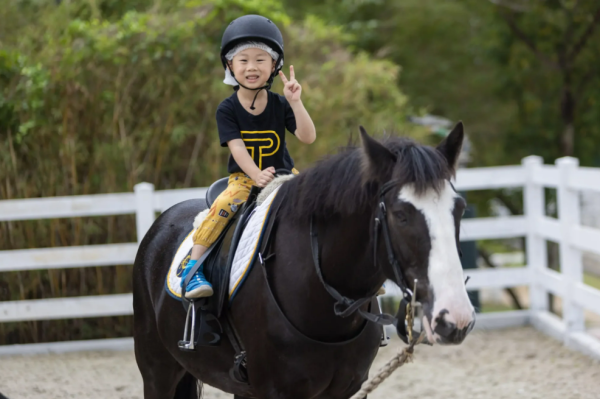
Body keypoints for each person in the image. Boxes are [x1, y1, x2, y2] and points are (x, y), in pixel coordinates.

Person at [181, 15, 316, 298]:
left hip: (283, 177)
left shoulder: (280, 104)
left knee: (320, 204)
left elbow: (307, 136)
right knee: (224, 206)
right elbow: (237, 147)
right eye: (243, 60)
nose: (252, 67)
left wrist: (296, 102)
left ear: (274, 66)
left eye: (260, 60)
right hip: (245, 179)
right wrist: (255, 175)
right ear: (230, 65)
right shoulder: (226, 109)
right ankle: (192, 268)